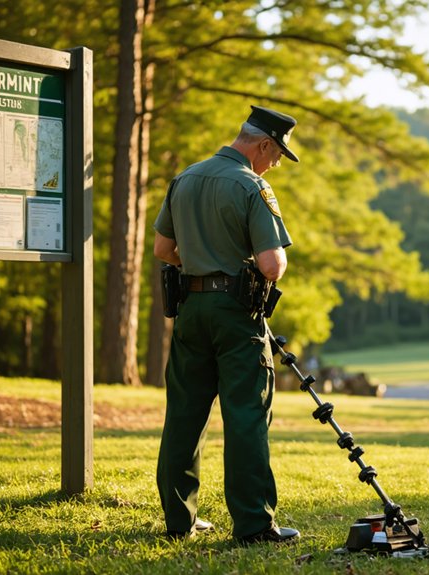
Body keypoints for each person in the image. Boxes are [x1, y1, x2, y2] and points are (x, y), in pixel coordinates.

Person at [152, 105, 300, 544]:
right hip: (236, 316)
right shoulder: (252, 186)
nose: (275, 165)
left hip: (190, 311)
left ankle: (179, 520)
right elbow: (271, 265)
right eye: (276, 156)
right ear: (263, 144)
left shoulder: (186, 177)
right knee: (246, 416)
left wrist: (199, 265)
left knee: (184, 415)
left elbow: (163, 248)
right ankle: (254, 525)